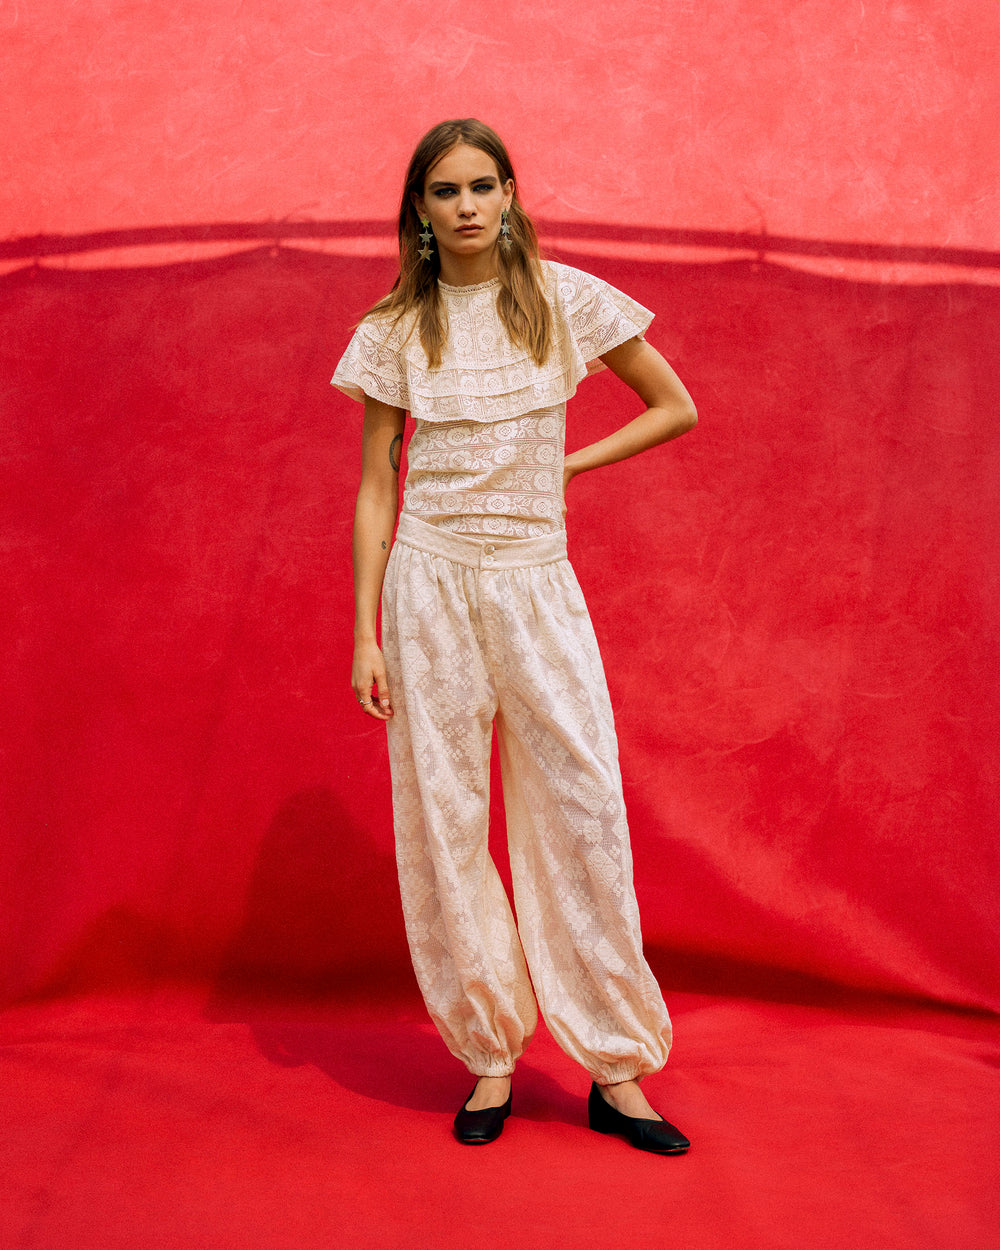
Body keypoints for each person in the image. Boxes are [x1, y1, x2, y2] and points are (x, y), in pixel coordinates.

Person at [332, 119, 697, 1152]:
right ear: (419, 209)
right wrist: (363, 631)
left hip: (536, 581)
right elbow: (373, 489)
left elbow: (676, 406)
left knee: (581, 805)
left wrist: (567, 470)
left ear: (508, 192)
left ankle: (614, 1067)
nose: (466, 206)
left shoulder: (566, 300)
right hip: (427, 585)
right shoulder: (396, 327)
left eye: (482, 185)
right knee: (444, 815)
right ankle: (490, 1051)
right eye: (444, 190)